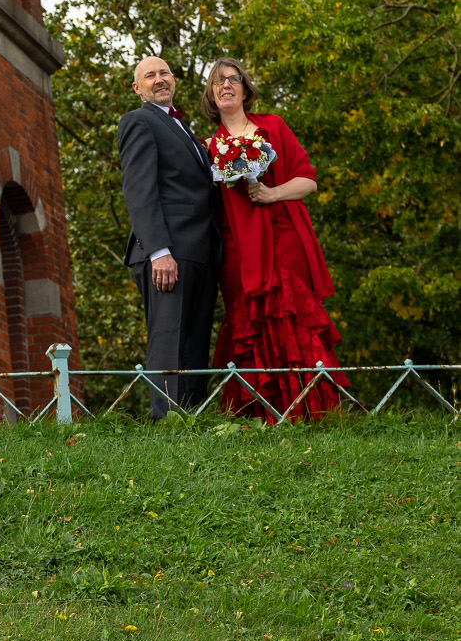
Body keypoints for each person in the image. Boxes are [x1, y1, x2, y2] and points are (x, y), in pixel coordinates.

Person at [203, 59, 343, 422]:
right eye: (218, 81)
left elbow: (308, 181)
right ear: (211, 94)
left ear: (246, 89)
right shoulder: (208, 146)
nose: (226, 85)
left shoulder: (274, 127)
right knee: (250, 320)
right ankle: (257, 412)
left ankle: (313, 410)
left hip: (283, 233)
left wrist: (272, 193)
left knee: (290, 311)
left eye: (233, 79)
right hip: (237, 245)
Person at [117, 55, 222, 417]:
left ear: (173, 79)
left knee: (195, 338)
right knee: (169, 337)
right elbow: (139, 191)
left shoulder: (186, 131)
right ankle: (167, 423)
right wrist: (159, 251)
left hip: (200, 250)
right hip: (167, 252)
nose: (159, 79)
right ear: (138, 87)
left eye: (164, 73)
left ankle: (191, 420)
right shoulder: (139, 121)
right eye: (150, 76)